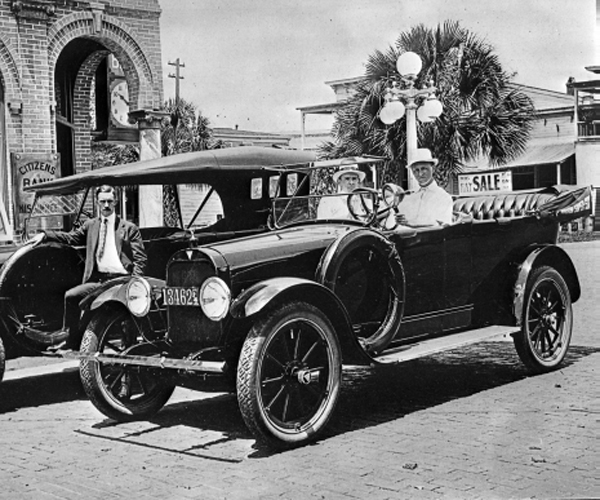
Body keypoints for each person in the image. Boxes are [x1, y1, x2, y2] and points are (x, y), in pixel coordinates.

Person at [37, 185, 147, 353]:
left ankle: (130, 349)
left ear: (116, 201)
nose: (106, 205)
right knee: (71, 296)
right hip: (100, 281)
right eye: (102, 202)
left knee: (126, 317)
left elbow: (140, 260)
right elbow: (71, 238)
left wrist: (134, 284)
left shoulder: (129, 228)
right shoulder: (91, 225)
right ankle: (71, 341)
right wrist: (45, 235)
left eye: (110, 201)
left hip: (123, 281)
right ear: (97, 203)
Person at [396, 149, 453, 227]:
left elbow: (442, 226)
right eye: (416, 170)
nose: (420, 174)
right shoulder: (409, 197)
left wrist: (411, 223)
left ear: (433, 168)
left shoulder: (443, 197)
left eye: (424, 169)